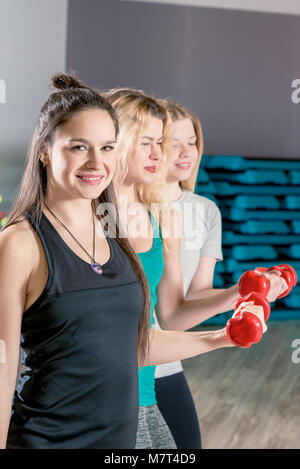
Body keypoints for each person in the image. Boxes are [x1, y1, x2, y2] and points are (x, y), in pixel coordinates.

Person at [0, 74, 249, 450]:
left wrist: (222, 337)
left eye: (108, 147)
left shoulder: (117, 237)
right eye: (79, 147)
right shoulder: (20, 242)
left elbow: (132, 345)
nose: (96, 162)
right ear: (45, 150)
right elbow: (3, 369)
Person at [104, 88, 287, 449]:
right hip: (99, 394)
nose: (163, 153)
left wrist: (244, 292)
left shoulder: (165, 215)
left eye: (162, 142)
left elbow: (167, 317)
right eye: (151, 142)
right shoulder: (88, 217)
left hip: (148, 381)